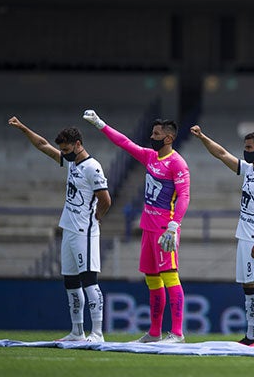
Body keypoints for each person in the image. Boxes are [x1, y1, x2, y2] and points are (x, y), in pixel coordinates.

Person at [83, 110, 190, 344]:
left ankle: (178, 333)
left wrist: (174, 225)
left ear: (169, 138)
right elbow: (124, 142)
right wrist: (101, 124)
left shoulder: (178, 163)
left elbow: (184, 195)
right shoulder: (151, 157)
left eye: (156, 134)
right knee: (152, 279)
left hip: (165, 228)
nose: (152, 137)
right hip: (148, 227)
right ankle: (154, 333)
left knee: (170, 277)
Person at [8, 116, 111, 343]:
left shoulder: (92, 167)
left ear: (78, 144)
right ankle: (77, 331)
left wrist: (96, 218)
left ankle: (97, 333)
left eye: (66, 149)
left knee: (90, 281)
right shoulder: (71, 162)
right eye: (62, 150)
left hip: (85, 231)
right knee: (71, 282)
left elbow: (105, 199)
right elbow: (43, 146)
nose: (63, 153)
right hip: (69, 230)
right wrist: (24, 128)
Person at [189, 125, 254, 348]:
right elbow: (221, 154)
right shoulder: (249, 170)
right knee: (248, 287)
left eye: (249, 147)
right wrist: (202, 136)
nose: (245, 151)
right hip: (244, 235)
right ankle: (251, 335)